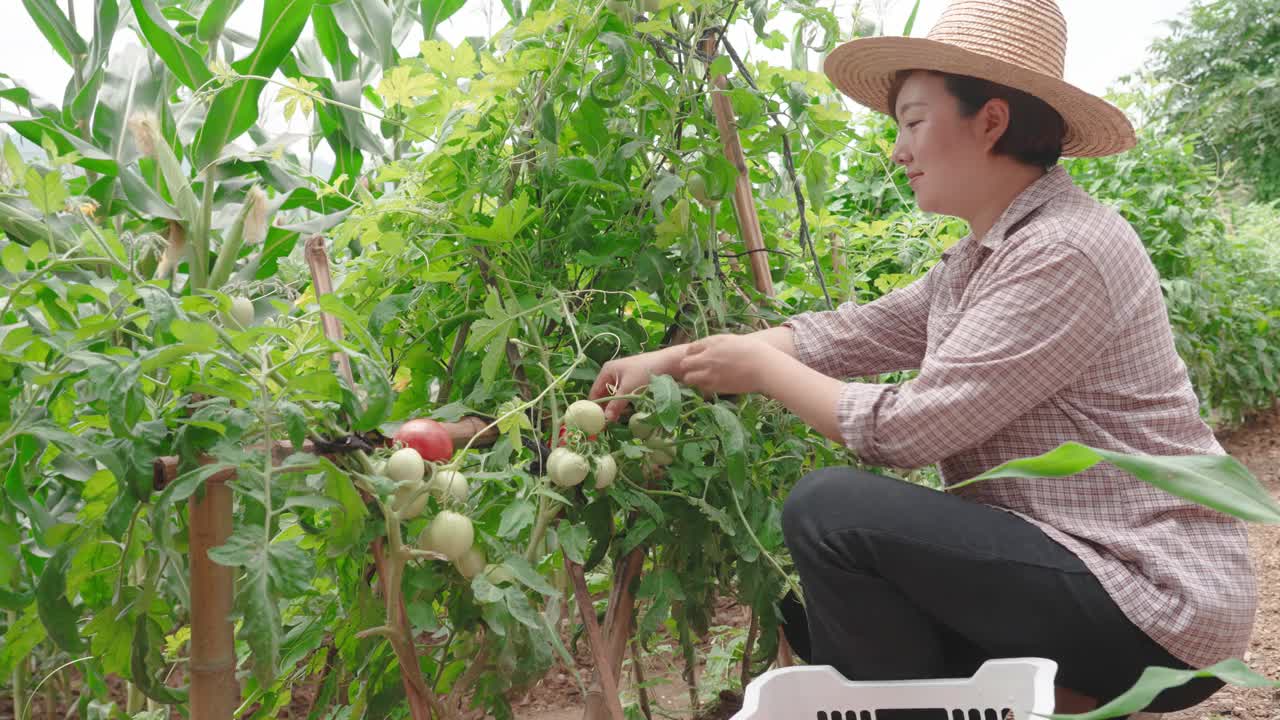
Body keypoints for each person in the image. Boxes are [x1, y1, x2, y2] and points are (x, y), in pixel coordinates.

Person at [587, 0, 1257, 715]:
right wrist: (674, 359)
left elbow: (909, 432)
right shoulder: (982, 258)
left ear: (992, 120)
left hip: (1152, 599)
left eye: (912, 122)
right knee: (809, 609)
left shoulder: (1065, 250)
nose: (898, 150)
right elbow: (848, 335)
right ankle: (993, 702)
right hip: (1079, 570)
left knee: (831, 511)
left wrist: (762, 372)